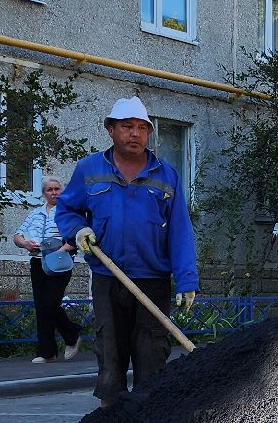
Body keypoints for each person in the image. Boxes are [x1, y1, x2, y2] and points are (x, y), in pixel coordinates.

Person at [55, 96, 198, 406]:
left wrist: (186, 278)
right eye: (127, 126)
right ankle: (110, 421)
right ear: (111, 130)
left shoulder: (166, 174)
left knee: (151, 352)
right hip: (108, 277)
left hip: (153, 279)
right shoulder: (90, 169)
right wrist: (78, 230)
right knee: (110, 350)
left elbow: (180, 229)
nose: (135, 133)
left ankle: (147, 420)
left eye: (141, 128)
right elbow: (67, 210)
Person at [13, 175, 83, 363]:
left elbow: (78, 237)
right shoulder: (35, 213)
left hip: (60, 261)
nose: (53, 193)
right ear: (44, 193)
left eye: (56, 189)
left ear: (62, 190)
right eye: (49, 190)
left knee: (50, 302)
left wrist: (62, 249)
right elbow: (18, 234)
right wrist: (26, 244)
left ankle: (72, 333)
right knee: (41, 306)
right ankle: (47, 352)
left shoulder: (69, 212)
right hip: (38, 262)